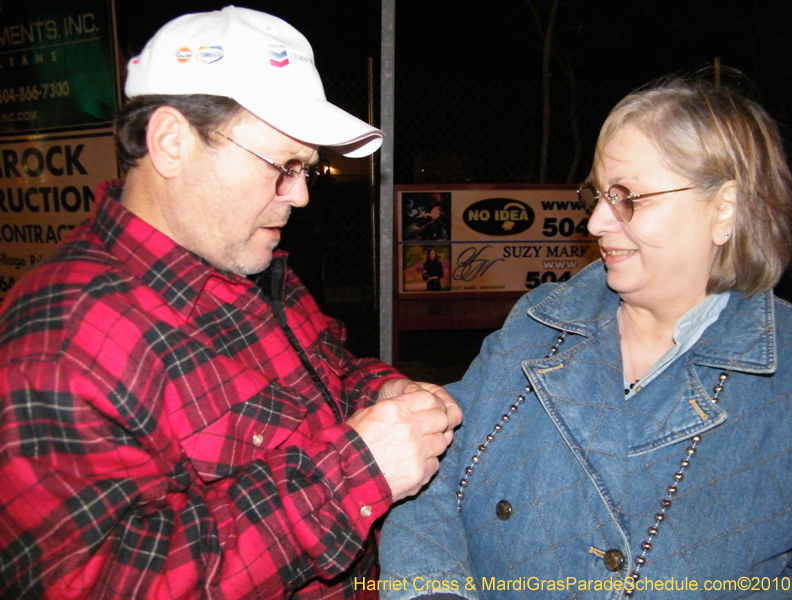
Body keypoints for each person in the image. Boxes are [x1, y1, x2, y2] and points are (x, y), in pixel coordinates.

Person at [0, 7, 461, 599]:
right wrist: (353, 473)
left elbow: (326, 385)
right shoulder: (62, 340)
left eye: (306, 169)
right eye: (281, 166)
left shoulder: (250, 265)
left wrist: (380, 395)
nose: (298, 197)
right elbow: (89, 583)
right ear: (171, 142)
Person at [378, 72, 792, 599]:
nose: (597, 221)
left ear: (725, 209)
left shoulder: (788, 377)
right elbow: (433, 479)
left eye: (630, 198)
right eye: (599, 193)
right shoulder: (539, 323)